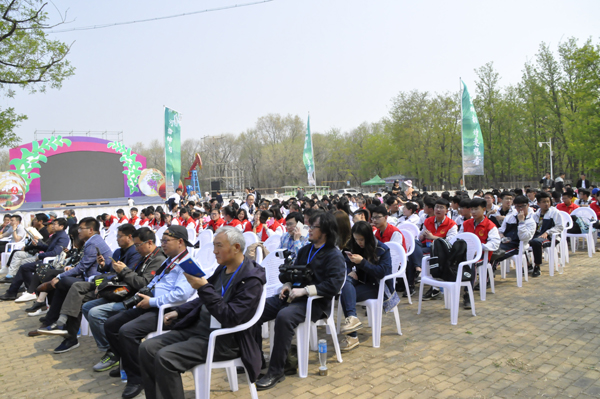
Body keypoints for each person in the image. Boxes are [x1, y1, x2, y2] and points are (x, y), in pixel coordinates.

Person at [139, 226, 266, 399]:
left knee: (165, 358)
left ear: (236, 247)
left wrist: (203, 287)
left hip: (223, 339)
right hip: (200, 328)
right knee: (147, 348)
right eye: (214, 245)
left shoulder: (251, 279)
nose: (214, 251)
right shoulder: (223, 269)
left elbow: (231, 317)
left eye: (219, 246)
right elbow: (206, 298)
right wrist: (179, 311)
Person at [255, 212, 345, 390]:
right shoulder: (306, 250)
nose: (308, 230)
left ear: (325, 231)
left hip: (315, 302)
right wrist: (288, 284)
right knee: (256, 310)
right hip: (293, 296)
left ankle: (277, 371)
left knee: (284, 317)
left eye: (313, 227)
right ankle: (255, 361)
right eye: (309, 226)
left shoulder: (333, 255)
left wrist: (305, 290)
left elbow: (334, 285)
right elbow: (294, 272)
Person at [104, 225, 195, 399]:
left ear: (180, 242)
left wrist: (152, 301)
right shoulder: (169, 260)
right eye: (162, 241)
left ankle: (137, 378)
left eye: (166, 241)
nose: (163, 245)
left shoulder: (187, 264)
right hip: (150, 303)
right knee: (111, 325)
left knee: (127, 332)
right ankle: (131, 365)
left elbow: (181, 295)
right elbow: (155, 283)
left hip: (168, 311)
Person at [41, 224, 142, 353]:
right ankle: (66, 327)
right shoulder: (117, 252)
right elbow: (110, 271)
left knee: (74, 289)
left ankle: (67, 328)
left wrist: (112, 276)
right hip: (104, 281)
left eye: (119, 236)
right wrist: (103, 265)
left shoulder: (135, 253)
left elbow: (127, 276)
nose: (117, 239)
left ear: (129, 237)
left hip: (115, 287)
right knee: (73, 289)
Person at [84, 227, 166, 372]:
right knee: (87, 307)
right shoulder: (144, 256)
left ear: (149, 243)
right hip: (123, 293)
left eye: (138, 244)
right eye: (135, 245)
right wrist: (114, 270)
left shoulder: (158, 259)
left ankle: (112, 352)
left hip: (133, 300)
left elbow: (144, 284)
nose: (136, 248)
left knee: (95, 313)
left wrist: (124, 270)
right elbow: (130, 276)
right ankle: (113, 349)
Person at [36, 217, 113, 333]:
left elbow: (81, 267)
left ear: (90, 230)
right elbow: (82, 266)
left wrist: (60, 276)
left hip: (96, 281)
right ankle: (54, 318)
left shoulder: (92, 243)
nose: (78, 231)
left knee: (63, 281)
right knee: (62, 283)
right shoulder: (94, 240)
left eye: (81, 229)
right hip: (90, 277)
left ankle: (55, 319)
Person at [339, 221, 392, 351]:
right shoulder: (353, 246)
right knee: (346, 284)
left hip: (378, 287)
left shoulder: (382, 249)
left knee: (346, 295)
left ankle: (352, 336)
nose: (359, 243)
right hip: (361, 282)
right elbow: (344, 265)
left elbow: (381, 273)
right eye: (356, 239)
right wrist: (351, 270)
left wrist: (362, 263)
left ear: (368, 237)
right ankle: (352, 320)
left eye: (361, 239)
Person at [0, 218, 70, 301]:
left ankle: (24, 291)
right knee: (24, 267)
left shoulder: (63, 237)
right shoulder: (56, 235)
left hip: (51, 261)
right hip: (45, 258)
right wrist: (37, 244)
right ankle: (27, 290)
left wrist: (40, 256)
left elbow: (55, 253)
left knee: (24, 267)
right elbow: (48, 248)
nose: (53, 226)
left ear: (61, 226)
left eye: (55, 224)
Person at [459, 198, 500, 309]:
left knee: (471, 265)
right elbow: (459, 238)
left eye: (476, 209)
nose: (473, 212)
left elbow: (495, 243)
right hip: (465, 253)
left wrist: (480, 247)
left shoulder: (490, 225)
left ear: (483, 209)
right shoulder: (466, 224)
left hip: (481, 256)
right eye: (471, 209)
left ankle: (468, 294)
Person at [494, 195, 536, 269]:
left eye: (522, 206)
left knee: (496, 255)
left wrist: (521, 222)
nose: (520, 209)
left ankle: (489, 275)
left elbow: (524, 238)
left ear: (528, 206)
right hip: (505, 243)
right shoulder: (510, 217)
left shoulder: (531, 221)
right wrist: (501, 236)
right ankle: (487, 273)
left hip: (518, 245)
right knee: (490, 251)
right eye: (517, 206)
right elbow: (501, 230)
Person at [529, 191, 563, 277]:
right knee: (521, 241)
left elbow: (560, 227)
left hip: (551, 237)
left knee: (536, 242)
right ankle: (528, 264)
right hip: (537, 236)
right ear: (538, 203)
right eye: (544, 202)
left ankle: (537, 266)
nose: (547, 204)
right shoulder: (536, 214)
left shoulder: (555, 212)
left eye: (548, 201)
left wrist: (547, 232)